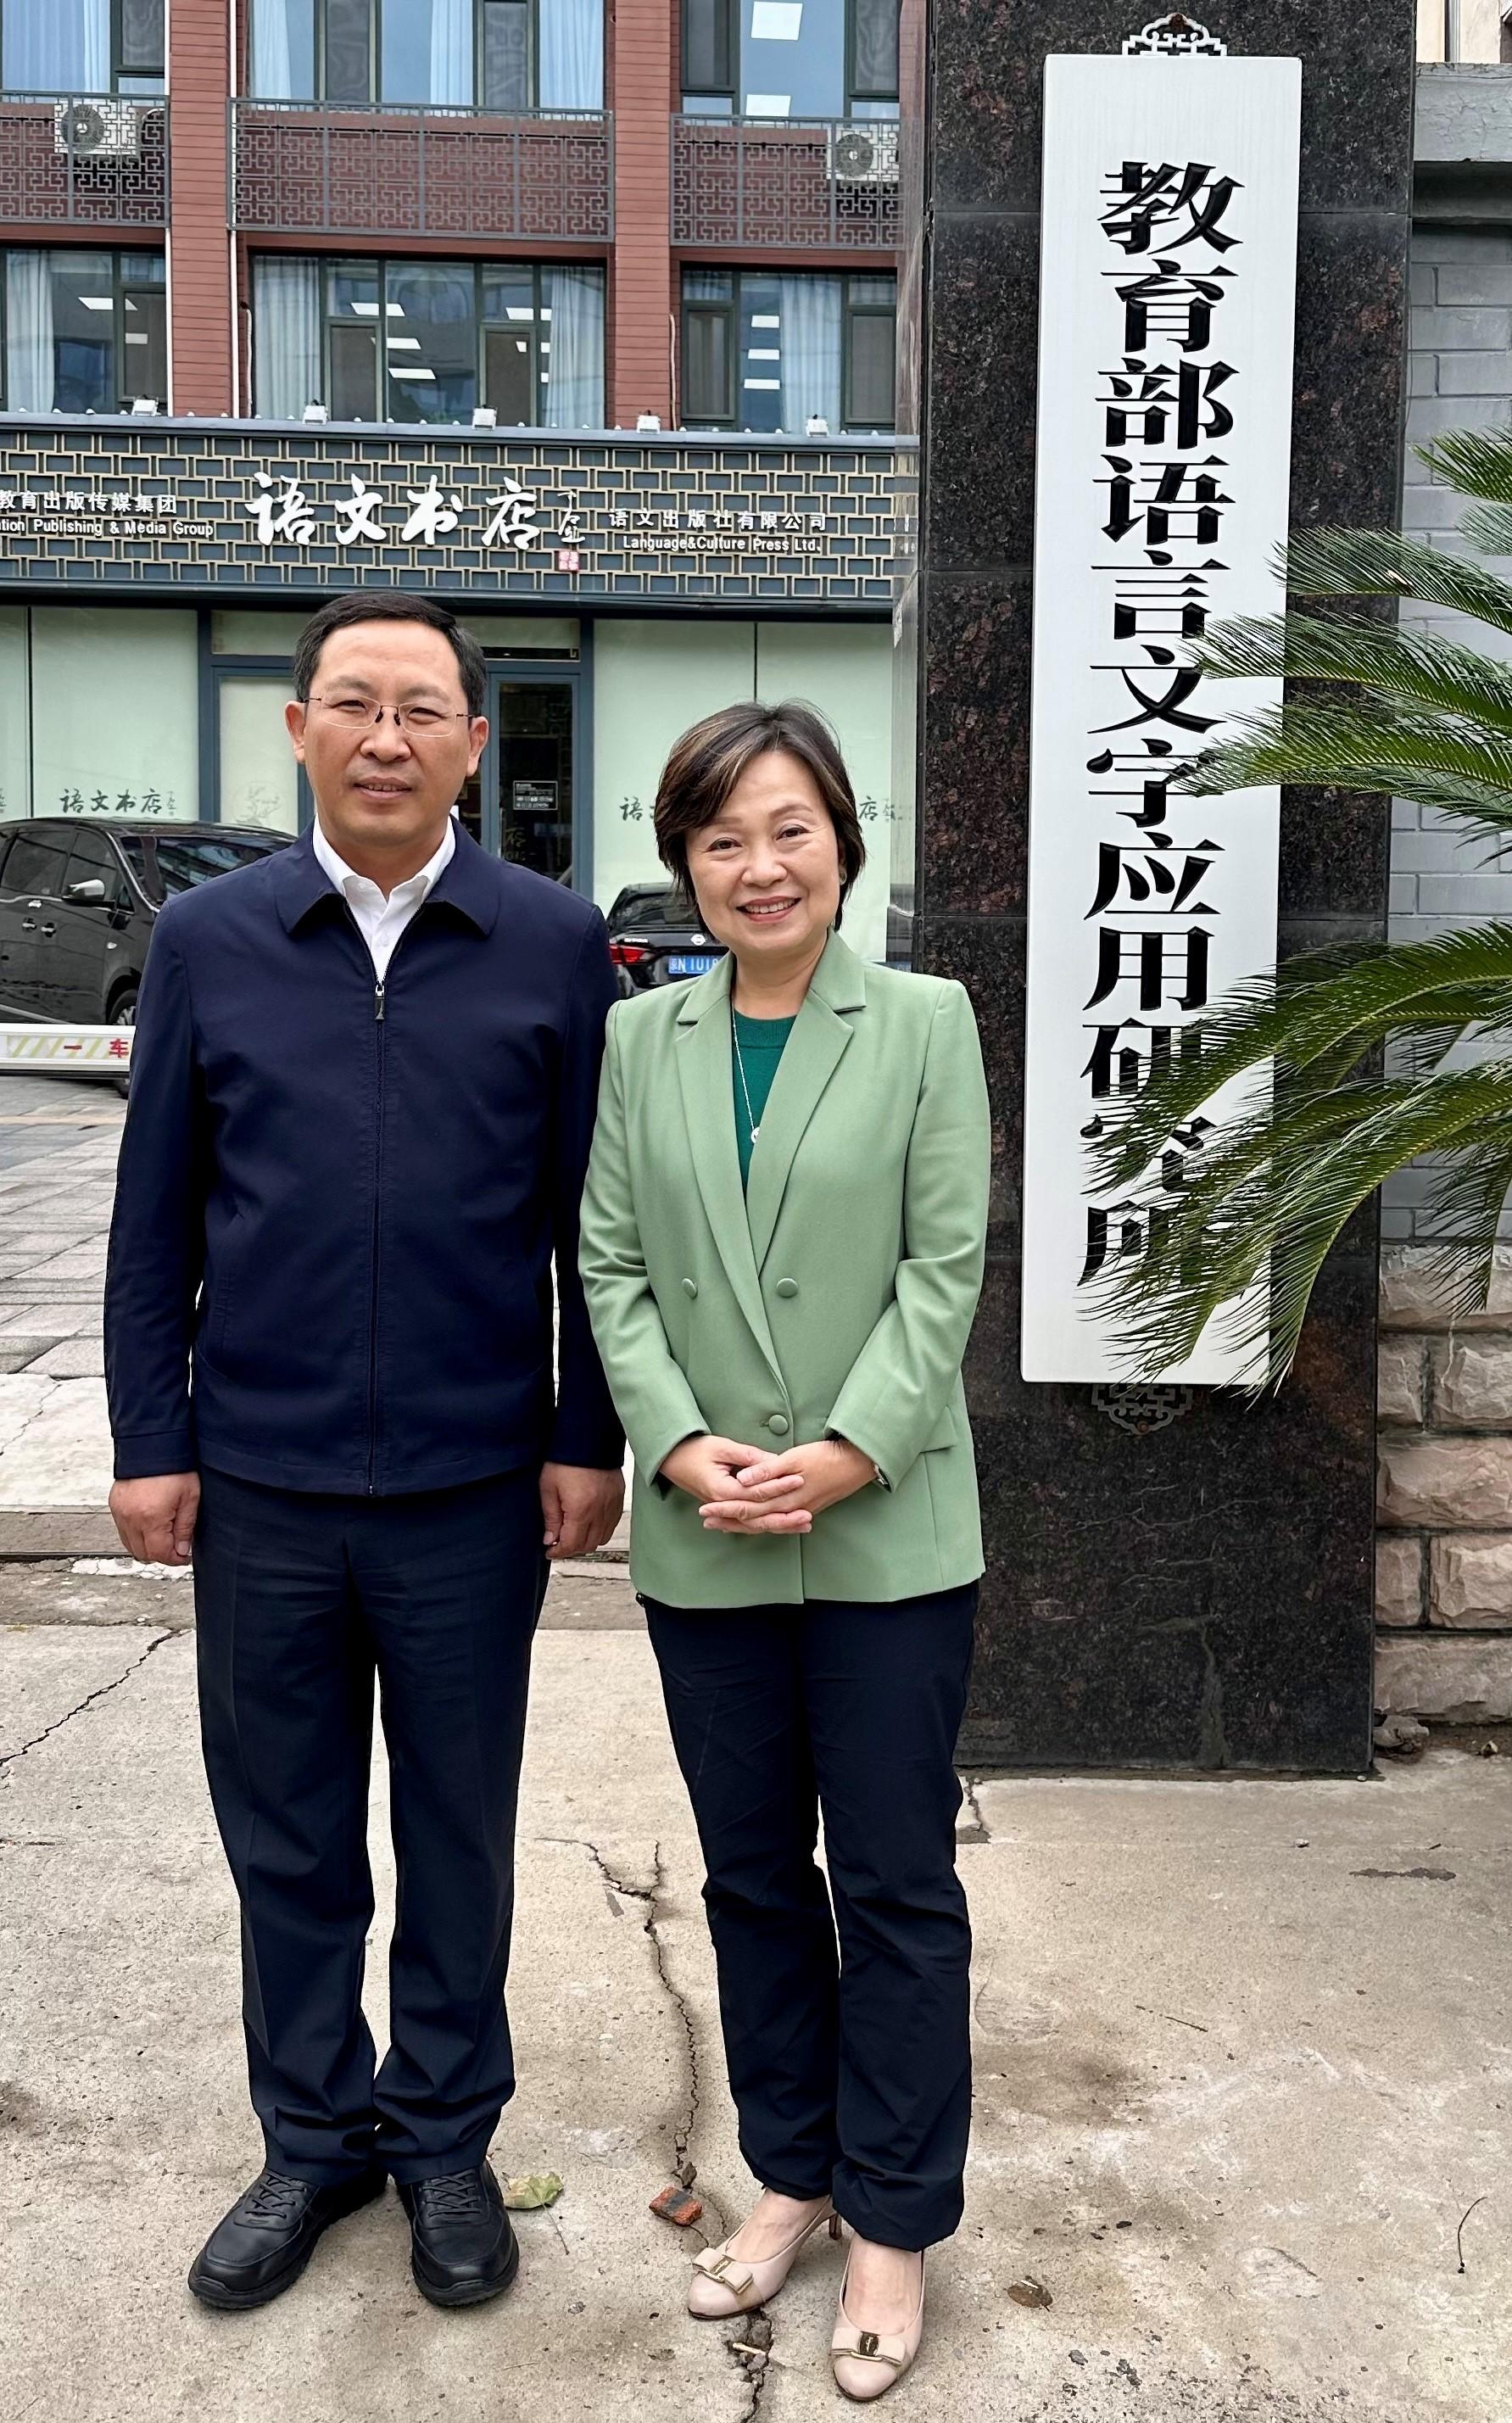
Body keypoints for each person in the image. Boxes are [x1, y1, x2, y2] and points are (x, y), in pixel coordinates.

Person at [103, 592, 624, 2314]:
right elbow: (153, 1211)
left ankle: (445, 2138)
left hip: (475, 1491)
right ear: (299, 727)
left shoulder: (550, 942)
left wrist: (583, 1430)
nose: (385, 735)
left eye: (422, 708)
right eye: (352, 702)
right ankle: (311, 2138)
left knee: (460, 1831)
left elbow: (589, 1225)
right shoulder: (211, 937)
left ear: (477, 739)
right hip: (260, 1482)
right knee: (291, 1837)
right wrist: (149, 1437)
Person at [579, 700, 990, 2402]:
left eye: (788, 827)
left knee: (893, 1883)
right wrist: (678, 1447)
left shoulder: (922, 1020)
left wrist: (840, 1453)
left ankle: (891, 2223)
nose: (759, 863)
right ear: (684, 864)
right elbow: (607, 1261)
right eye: (721, 836)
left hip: (885, 1525)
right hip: (706, 1535)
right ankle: (793, 2175)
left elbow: (944, 1266)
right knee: (751, 1875)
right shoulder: (642, 1041)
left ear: (843, 841)